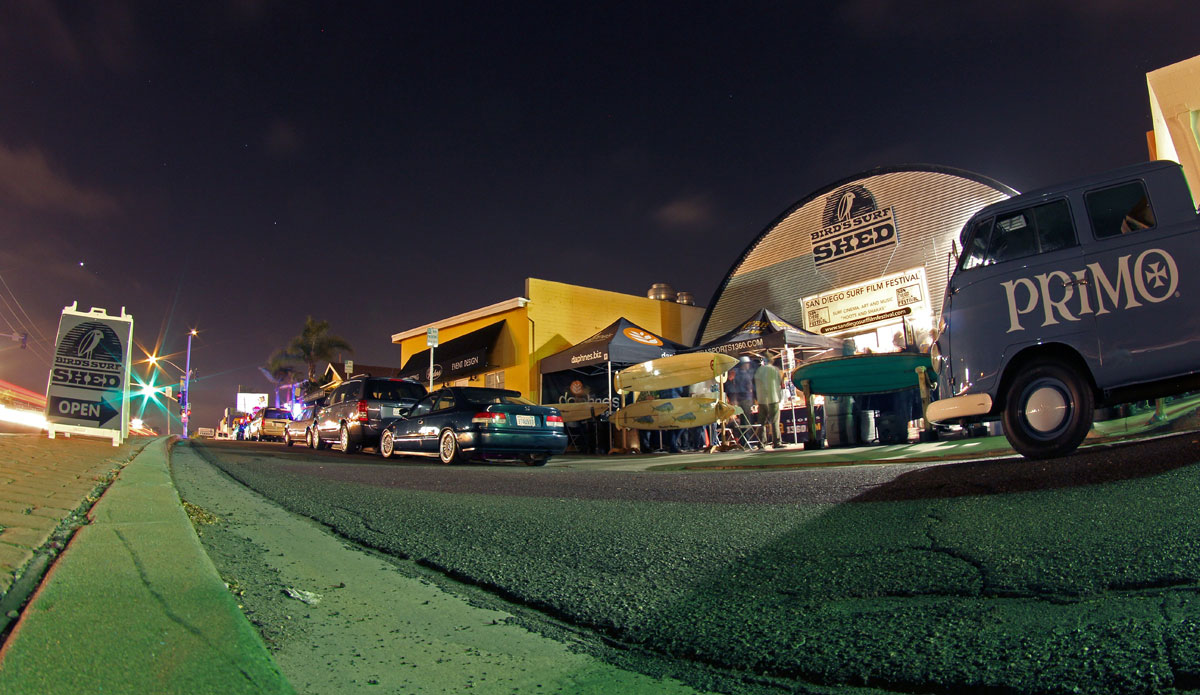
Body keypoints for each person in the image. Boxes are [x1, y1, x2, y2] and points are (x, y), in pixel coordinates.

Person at [753, 357, 784, 448]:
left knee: (761, 422)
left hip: (762, 399)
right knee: (774, 421)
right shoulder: (775, 370)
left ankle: (761, 442)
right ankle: (776, 442)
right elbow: (780, 384)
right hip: (773, 398)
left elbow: (755, 384)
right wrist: (780, 398)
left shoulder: (759, 371)